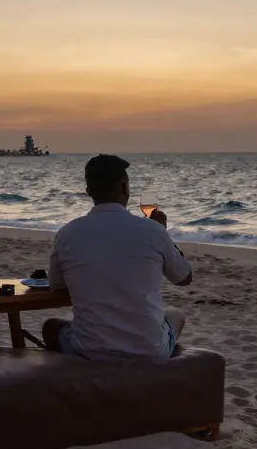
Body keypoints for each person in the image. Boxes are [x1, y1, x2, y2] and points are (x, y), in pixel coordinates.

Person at [42, 154, 191, 360]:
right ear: (125, 188)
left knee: (51, 327)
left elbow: (57, 287)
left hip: (89, 348)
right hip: (150, 350)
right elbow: (184, 277)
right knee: (176, 314)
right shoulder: (152, 231)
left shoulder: (67, 233)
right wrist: (163, 232)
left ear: (88, 191)